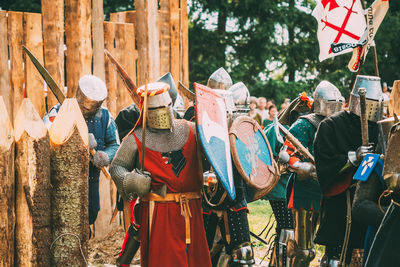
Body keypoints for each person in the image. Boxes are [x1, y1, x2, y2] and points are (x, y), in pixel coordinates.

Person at [110, 81, 211, 267]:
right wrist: (132, 180)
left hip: (191, 210)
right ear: (147, 112)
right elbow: (117, 167)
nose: (164, 112)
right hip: (159, 213)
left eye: (167, 106)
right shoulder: (136, 138)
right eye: (158, 108)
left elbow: (213, 154)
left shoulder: (191, 129)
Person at [313, 75, 383, 266]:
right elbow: (325, 164)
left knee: (366, 255)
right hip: (341, 200)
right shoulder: (330, 126)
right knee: (335, 258)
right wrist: (353, 157)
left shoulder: (381, 127)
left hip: (370, 200)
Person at [279, 81, 344, 267]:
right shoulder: (305, 124)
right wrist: (302, 166)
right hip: (306, 191)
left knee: (333, 249)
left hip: (332, 190)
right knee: (303, 251)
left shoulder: (339, 124)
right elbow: (286, 154)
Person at [43, 75, 120, 229]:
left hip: (90, 179)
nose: (89, 111)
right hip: (61, 181)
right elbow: (43, 141)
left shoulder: (105, 117)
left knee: (89, 216)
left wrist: (105, 156)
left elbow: (114, 144)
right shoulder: (56, 113)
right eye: (86, 108)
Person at [201, 68, 254, 266]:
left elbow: (251, 157)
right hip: (207, 195)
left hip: (234, 194)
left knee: (244, 254)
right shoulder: (196, 118)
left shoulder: (242, 124)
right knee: (201, 253)